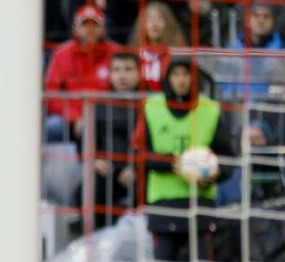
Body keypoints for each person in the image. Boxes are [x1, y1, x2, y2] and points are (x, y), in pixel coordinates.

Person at [135, 57, 234, 262]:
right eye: (176, 74)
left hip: (200, 205)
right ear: (167, 78)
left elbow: (227, 157)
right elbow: (139, 154)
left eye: (186, 74)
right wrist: (175, 164)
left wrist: (216, 173)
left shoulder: (211, 109)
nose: (181, 80)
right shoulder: (151, 107)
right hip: (163, 204)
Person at [75, 52, 141, 231]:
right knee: (89, 188)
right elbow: (84, 140)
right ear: (110, 74)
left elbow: (154, 142)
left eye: (128, 70)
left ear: (139, 73)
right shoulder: (100, 103)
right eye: (117, 70)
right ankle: (90, 242)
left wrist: (136, 166)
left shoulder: (149, 103)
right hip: (106, 171)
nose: (122, 75)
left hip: (138, 172)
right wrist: (94, 160)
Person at [43, 4, 113, 143]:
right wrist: (74, 117)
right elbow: (51, 94)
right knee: (52, 126)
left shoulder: (116, 53)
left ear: (104, 28)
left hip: (106, 116)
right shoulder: (61, 54)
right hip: (69, 119)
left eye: (95, 24)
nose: (90, 29)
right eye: (85, 24)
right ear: (75, 28)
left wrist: (93, 118)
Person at [128, 1, 186, 92]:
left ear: (168, 23)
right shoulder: (133, 52)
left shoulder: (179, 52)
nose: (155, 24)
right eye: (150, 19)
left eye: (160, 18)